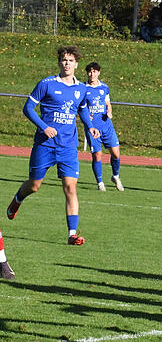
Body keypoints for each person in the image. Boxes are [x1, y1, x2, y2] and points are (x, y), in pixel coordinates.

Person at [7, 45, 100, 246]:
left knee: (70, 187)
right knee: (34, 185)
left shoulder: (82, 89)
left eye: (71, 60)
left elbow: (82, 110)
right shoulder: (47, 84)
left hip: (68, 146)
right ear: (59, 63)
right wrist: (44, 127)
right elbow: (28, 108)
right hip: (45, 145)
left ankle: (72, 234)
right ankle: (17, 199)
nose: (67, 63)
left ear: (76, 64)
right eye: (64, 60)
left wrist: (90, 126)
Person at [84, 62, 124, 192]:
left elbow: (108, 103)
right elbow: (80, 107)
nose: (92, 74)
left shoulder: (104, 88)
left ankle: (115, 176)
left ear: (99, 72)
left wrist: (109, 111)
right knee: (97, 155)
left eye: (94, 71)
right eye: (90, 71)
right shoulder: (83, 88)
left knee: (116, 153)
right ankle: (100, 183)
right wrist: (86, 116)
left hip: (106, 125)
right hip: (92, 128)